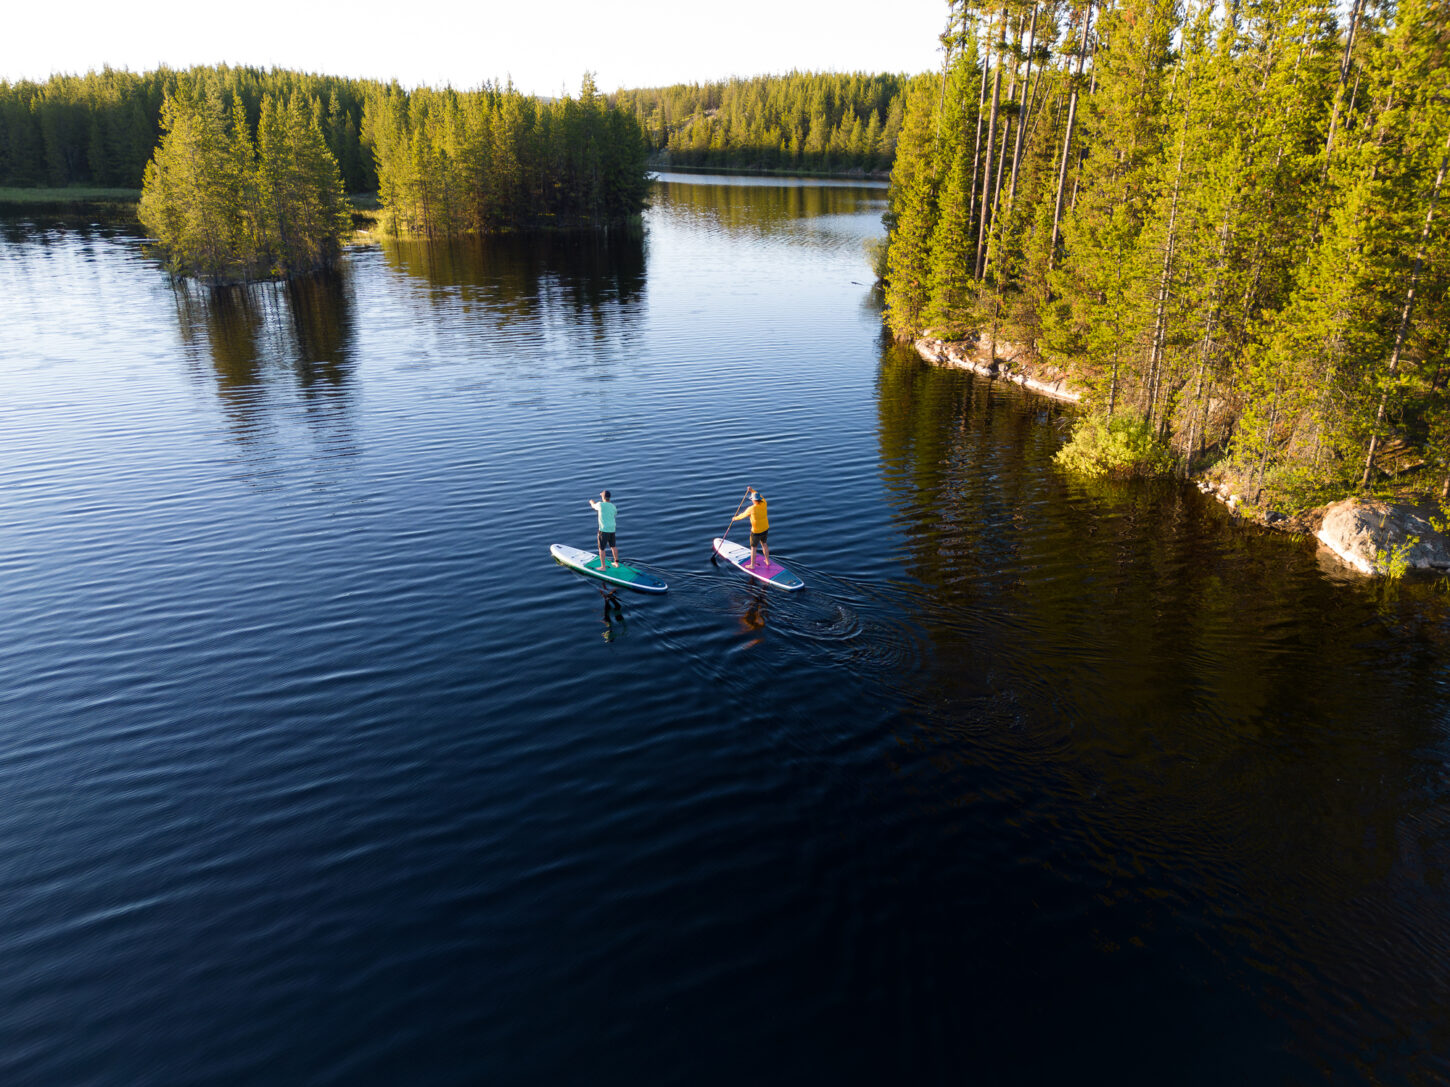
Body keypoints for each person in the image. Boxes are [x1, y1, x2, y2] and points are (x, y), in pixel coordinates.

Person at [731, 489, 770, 567]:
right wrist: (751, 490)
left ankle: (752, 565)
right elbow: (761, 495)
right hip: (765, 528)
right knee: (764, 544)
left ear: (754, 500)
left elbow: (742, 515)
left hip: (756, 532)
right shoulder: (764, 503)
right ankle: (767, 561)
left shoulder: (751, 509)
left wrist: (734, 518)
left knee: (753, 548)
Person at [589, 489, 619, 567]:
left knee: (601, 549)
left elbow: (593, 506)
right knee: (613, 546)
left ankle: (603, 567)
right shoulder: (613, 506)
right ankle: (616, 563)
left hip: (603, 530)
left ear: (603, 497)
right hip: (612, 529)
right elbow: (615, 514)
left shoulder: (600, 505)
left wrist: (591, 502)